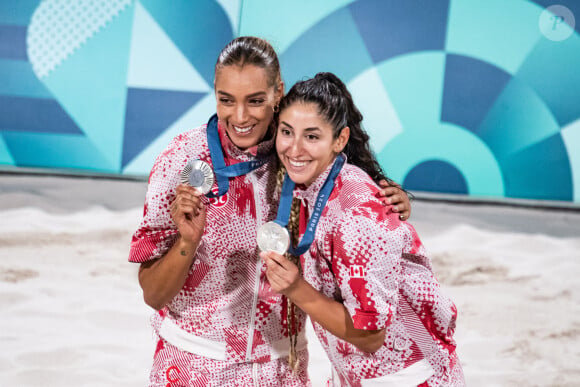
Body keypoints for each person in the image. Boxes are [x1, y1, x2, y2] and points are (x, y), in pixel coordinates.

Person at [129, 37, 411, 386]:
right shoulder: (182, 159)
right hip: (193, 368)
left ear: (278, 92)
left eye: (256, 101)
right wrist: (187, 242)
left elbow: (351, 193)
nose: (240, 116)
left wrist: (386, 196)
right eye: (226, 100)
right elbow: (152, 294)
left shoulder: (299, 154)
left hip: (282, 368)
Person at [261, 72, 465, 386]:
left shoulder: (357, 217)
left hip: (407, 378)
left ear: (339, 140)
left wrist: (294, 288)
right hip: (355, 374)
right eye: (287, 132)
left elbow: (371, 336)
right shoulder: (308, 184)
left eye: (312, 136)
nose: (295, 149)